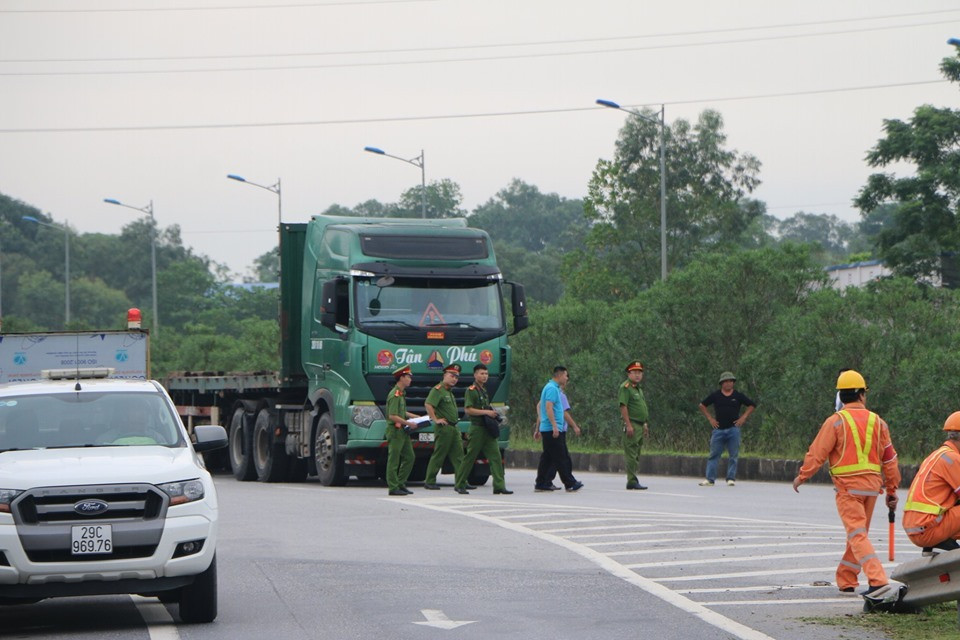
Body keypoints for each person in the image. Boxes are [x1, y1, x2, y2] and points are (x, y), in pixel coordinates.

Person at [792, 370, 904, 605]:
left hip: (849, 489)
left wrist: (803, 476)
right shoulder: (878, 422)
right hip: (872, 489)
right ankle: (847, 579)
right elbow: (890, 459)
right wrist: (892, 489)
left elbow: (818, 452)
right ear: (861, 395)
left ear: (841, 397)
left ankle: (877, 580)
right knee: (858, 534)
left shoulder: (835, 422)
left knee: (857, 534)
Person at [902, 411, 960, 554]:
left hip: (918, 527)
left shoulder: (937, 455)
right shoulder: (952, 459)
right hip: (927, 528)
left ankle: (938, 543)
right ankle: (938, 541)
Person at [454, 364, 512, 495]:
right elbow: (468, 410)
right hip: (477, 429)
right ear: (475, 375)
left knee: (496, 457)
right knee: (470, 457)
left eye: (486, 374)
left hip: (487, 429)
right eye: (481, 374)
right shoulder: (471, 390)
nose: (485, 376)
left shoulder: (484, 390)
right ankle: (460, 483)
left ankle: (499, 486)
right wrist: (486, 412)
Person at [697, 371, 756, 487]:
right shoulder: (716, 395)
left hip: (733, 429)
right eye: (726, 381)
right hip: (718, 430)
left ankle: (730, 478)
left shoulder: (738, 396)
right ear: (722, 383)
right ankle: (710, 479)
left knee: (733, 455)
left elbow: (752, 405)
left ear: (733, 383)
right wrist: (710, 418)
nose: (728, 384)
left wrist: (743, 417)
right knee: (714, 454)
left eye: (730, 381)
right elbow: (702, 405)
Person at [536, 366, 583, 492]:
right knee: (561, 457)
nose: (567, 378)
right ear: (560, 375)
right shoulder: (552, 388)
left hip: (549, 428)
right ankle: (570, 483)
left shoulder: (553, 388)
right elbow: (548, 407)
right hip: (552, 429)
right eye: (566, 376)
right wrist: (555, 426)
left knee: (548, 457)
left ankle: (541, 483)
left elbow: (541, 406)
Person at [424, 364, 466, 492]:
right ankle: (430, 481)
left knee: (459, 456)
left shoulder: (449, 392)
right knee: (439, 455)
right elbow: (428, 404)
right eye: (451, 376)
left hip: (454, 428)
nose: (454, 379)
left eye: (456, 377)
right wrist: (435, 419)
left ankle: (461, 483)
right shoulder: (438, 390)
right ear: (444, 375)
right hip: (444, 428)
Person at [384, 365, 420, 496]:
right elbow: (392, 416)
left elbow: (400, 411)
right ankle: (393, 487)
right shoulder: (395, 394)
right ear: (401, 378)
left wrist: (414, 417)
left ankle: (400, 483)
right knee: (394, 459)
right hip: (395, 431)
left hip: (403, 431)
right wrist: (409, 423)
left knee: (410, 457)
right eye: (408, 377)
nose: (410, 379)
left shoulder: (401, 394)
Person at [619, 361, 649, 490]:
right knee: (631, 453)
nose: (638, 375)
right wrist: (628, 424)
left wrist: (645, 424)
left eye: (640, 372)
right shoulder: (625, 388)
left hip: (640, 425)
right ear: (629, 373)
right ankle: (631, 480)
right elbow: (623, 406)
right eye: (635, 372)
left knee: (636, 453)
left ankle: (633, 478)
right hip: (632, 424)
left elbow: (641, 408)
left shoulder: (638, 389)